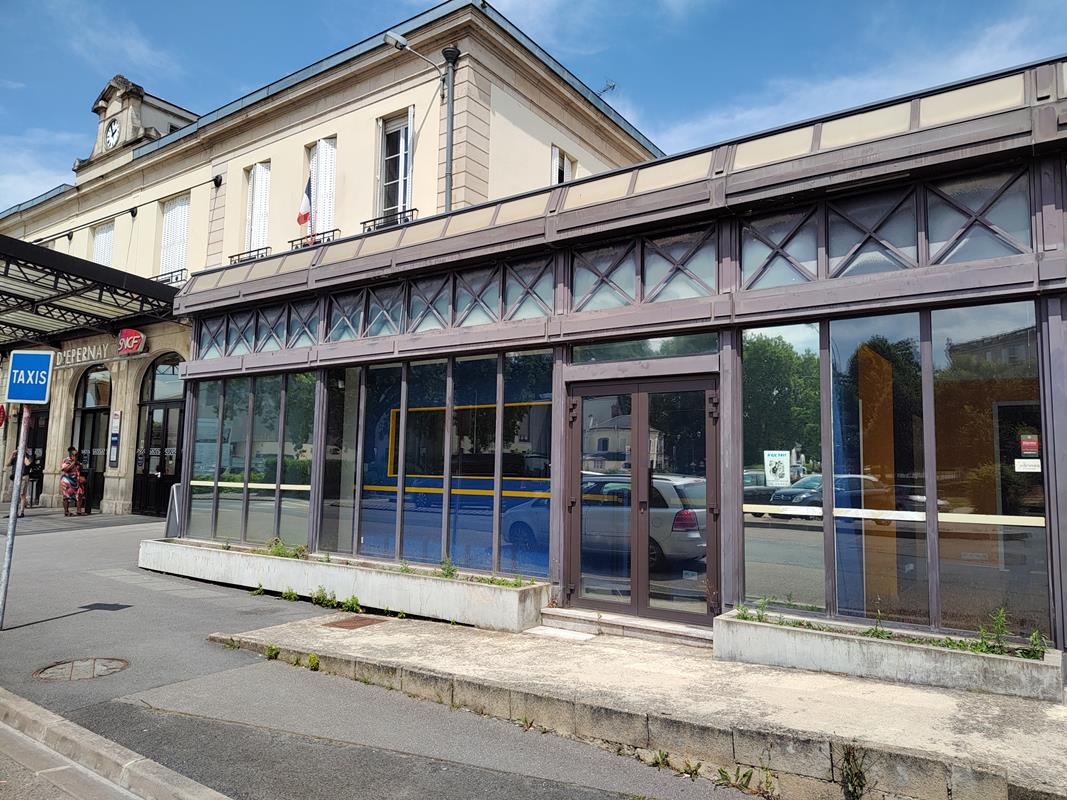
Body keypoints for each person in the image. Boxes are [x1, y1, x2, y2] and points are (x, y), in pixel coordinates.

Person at [60, 447, 85, 517]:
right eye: (75, 454)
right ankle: (66, 512)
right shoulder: (66, 460)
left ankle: (79, 511)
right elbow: (65, 469)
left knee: (80, 494)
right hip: (67, 481)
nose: (77, 456)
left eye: (77, 454)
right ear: (71, 455)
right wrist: (73, 462)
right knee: (66, 496)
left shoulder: (77, 461)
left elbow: (80, 467)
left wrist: (79, 464)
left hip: (75, 481)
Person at [6, 449, 31, 518]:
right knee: (13, 494)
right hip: (15, 477)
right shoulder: (15, 457)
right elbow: (7, 464)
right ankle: (13, 512)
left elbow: (27, 463)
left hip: (23, 476)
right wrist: (12, 454)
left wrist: (24, 455)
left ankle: (21, 512)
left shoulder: (28, 456)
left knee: (22, 494)